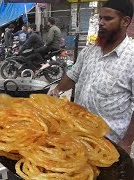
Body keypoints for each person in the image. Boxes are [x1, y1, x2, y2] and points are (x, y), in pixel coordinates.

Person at [51, 0, 134, 153]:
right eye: (100, 18)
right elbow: (72, 76)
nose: (101, 23)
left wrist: (127, 143)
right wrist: (57, 89)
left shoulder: (131, 57)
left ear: (125, 21)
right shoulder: (89, 51)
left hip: (109, 143)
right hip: (77, 134)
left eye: (108, 19)